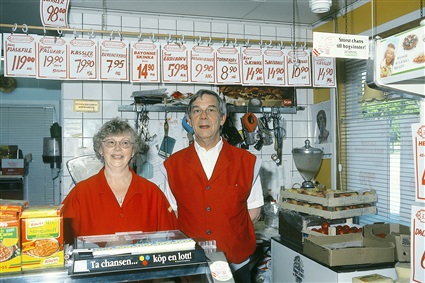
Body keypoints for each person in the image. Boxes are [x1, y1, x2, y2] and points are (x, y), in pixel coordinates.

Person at [160, 89, 264, 283]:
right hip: (192, 267)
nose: (204, 116)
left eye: (211, 110)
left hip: (236, 265)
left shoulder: (248, 162)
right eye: (197, 111)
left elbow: (254, 212)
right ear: (189, 120)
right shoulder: (172, 165)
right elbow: (173, 214)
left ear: (223, 118)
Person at [63, 117, 176, 244]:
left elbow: (170, 241)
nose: (117, 148)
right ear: (100, 149)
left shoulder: (153, 193)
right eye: (110, 142)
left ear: (133, 151)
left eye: (125, 143)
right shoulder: (80, 193)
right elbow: (62, 240)